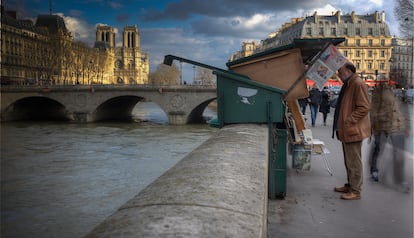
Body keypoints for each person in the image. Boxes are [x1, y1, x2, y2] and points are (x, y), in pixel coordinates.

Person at [332, 62, 371, 200]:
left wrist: (349, 120)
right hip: (348, 129)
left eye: (340, 71)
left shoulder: (357, 84)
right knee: (349, 160)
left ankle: (355, 190)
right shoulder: (350, 84)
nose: (338, 74)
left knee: (354, 160)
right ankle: (350, 185)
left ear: (348, 71)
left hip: (353, 129)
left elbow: (364, 107)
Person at [369, 83, 410, 191]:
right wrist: (375, 123)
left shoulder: (401, 94)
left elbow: (405, 112)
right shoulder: (379, 93)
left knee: (398, 155)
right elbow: (373, 111)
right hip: (381, 126)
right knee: (378, 148)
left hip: (397, 127)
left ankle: (400, 181)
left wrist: (407, 126)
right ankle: (374, 170)